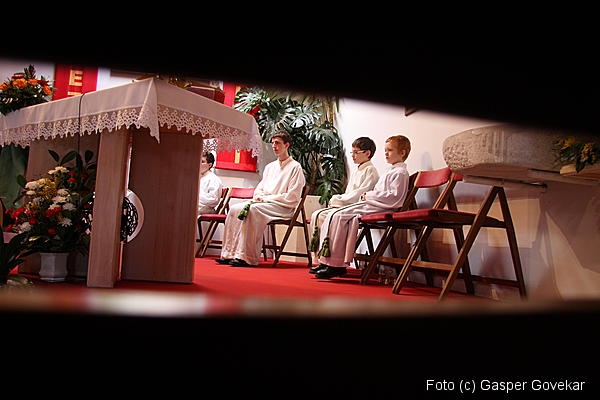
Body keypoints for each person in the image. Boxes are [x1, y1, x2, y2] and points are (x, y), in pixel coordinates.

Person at [313, 134, 412, 279]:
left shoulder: (401, 173)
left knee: (339, 215)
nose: (386, 153)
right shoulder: (391, 171)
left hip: (382, 207)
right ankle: (326, 261)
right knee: (335, 214)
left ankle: (336, 264)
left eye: (390, 150)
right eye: (385, 150)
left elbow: (395, 198)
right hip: (374, 204)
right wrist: (368, 196)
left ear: (402, 153)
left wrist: (369, 196)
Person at [216, 130, 306, 267]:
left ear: (287, 145)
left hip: (282, 207)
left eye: (278, 143)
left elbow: (292, 197)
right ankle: (229, 253)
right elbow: (260, 188)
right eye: (273, 143)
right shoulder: (270, 167)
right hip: (265, 204)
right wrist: (259, 196)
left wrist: (268, 199)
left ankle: (246, 257)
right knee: (235, 209)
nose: (274, 146)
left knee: (252, 211)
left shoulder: (295, 167)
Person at [308, 137, 379, 273]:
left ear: (367, 153)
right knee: (317, 215)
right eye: (352, 152)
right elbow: (350, 192)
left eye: (356, 152)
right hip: (349, 204)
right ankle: (322, 259)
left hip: (358, 206)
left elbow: (360, 194)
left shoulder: (370, 171)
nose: (353, 156)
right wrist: (341, 199)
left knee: (332, 217)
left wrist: (340, 199)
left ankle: (334, 263)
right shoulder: (357, 170)